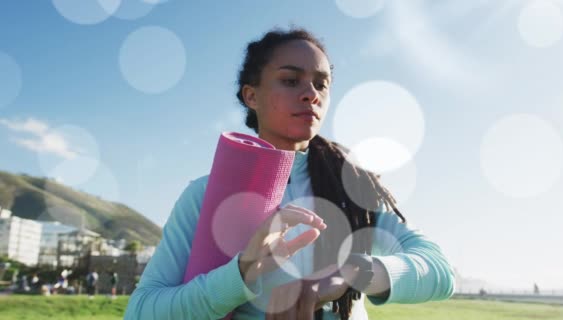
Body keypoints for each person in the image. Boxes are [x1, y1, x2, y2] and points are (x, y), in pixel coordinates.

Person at [125, 28, 454, 319]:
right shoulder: (203, 195)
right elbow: (141, 312)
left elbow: (440, 271)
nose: (311, 93)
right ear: (251, 95)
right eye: (290, 80)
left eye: (321, 84)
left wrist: (349, 273)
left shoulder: (353, 189)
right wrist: (240, 274)